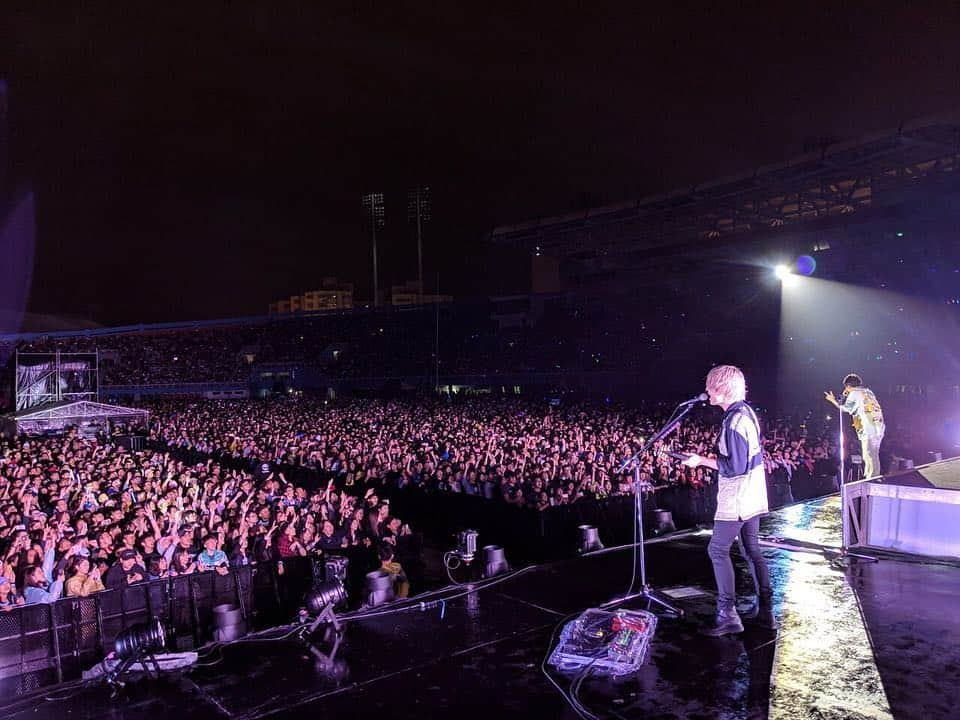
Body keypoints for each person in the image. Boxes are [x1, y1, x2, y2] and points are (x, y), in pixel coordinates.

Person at [682, 365, 775, 635]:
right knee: (751, 550)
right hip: (753, 494)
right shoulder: (746, 414)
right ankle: (766, 611)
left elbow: (734, 467)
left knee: (717, 550)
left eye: (711, 387)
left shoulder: (733, 422)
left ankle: (727, 613)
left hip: (737, 498)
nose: (707, 392)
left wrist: (700, 461)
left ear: (723, 390)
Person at [824, 373, 885, 480]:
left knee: (869, 453)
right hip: (879, 425)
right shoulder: (868, 392)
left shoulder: (854, 394)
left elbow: (844, 408)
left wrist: (832, 400)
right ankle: (872, 475)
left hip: (868, 426)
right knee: (873, 453)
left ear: (848, 386)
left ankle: (872, 478)